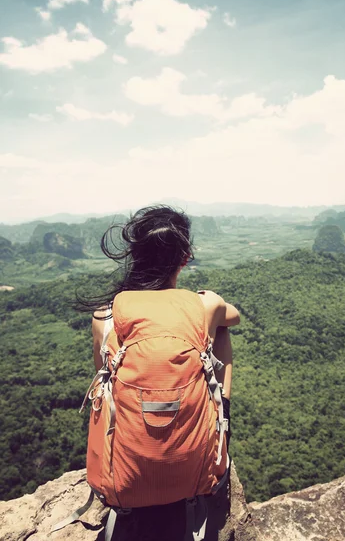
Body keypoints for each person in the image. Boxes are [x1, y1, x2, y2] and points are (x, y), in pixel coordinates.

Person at [83, 205, 240, 540]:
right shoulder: (203, 305)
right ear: (185, 258)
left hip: (124, 478)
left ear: (136, 257)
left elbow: (103, 386)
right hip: (195, 478)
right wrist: (208, 312)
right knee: (223, 331)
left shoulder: (105, 316)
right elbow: (235, 316)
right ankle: (223, 413)